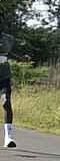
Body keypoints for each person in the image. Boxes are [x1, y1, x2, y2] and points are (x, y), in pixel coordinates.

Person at [0, 12, 26, 148]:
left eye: (0, 22)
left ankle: (8, 137)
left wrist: (19, 58)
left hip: (4, 75)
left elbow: (7, 52)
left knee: (6, 102)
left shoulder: (8, 39)